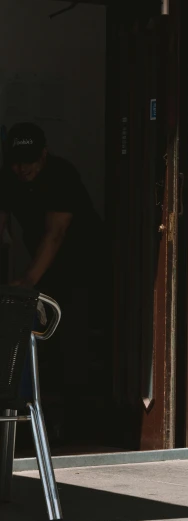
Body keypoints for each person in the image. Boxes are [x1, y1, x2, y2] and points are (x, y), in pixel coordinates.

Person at [0, 122, 108, 441]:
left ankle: (76, 424)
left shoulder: (61, 174)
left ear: (44, 154)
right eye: (17, 161)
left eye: (29, 160)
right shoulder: (7, 176)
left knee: (70, 335)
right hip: (42, 259)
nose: (23, 168)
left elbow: (56, 233)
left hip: (82, 261)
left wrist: (28, 281)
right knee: (37, 335)